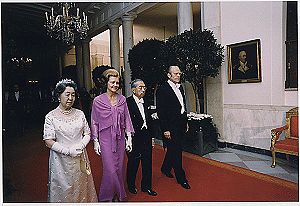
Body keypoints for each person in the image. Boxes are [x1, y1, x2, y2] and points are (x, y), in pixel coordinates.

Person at [43, 79, 98, 203]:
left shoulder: (80, 114)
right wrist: (67, 151)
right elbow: (48, 140)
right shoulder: (50, 116)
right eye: (67, 94)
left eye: (73, 95)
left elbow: (87, 133)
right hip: (60, 160)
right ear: (59, 96)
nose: (70, 98)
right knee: (64, 190)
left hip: (80, 156)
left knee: (81, 187)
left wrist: (81, 145)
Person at [91, 69, 134, 202]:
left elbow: (127, 118)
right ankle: (108, 196)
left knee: (120, 167)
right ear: (106, 83)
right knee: (110, 169)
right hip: (105, 138)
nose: (115, 85)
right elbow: (94, 121)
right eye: (112, 82)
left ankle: (117, 194)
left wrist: (129, 139)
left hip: (120, 138)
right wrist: (95, 141)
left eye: (117, 82)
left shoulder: (122, 100)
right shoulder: (97, 101)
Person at [156, 65, 191, 190]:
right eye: (175, 74)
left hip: (181, 123)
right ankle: (182, 178)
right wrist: (165, 129)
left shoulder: (180, 87)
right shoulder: (162, 89)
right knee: (177, 152)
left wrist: (185, 121)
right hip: (170, 126)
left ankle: (165, 168)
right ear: (169, 75)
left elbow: (183, 106)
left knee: (174, 149)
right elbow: (161, 111)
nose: (178, 75)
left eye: (179, 74)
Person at [126, 79, 157, 196]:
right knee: (133, 162)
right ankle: (131, 184)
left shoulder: (146, 101)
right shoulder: (127, 102)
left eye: (144, 87)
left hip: (147, 136)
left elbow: (150, 121)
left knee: (147, 162)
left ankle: (147, 186)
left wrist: (152, 137)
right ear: (133, 90)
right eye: (140, 87)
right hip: (134, 137)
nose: (143, 89)